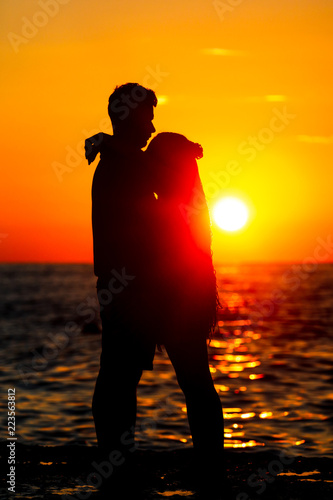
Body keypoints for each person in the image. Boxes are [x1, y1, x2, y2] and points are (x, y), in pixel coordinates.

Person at [86, 84, 227, 498]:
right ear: (127, 116)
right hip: (135, 286)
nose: (152, 125)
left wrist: (109, 141)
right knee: (122, 378)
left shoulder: (137, 157)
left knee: (134, 378)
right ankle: (123, 468)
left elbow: (157, 176)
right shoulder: (121, 164)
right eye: (146, 116)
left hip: (169, 283)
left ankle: (131, 467)